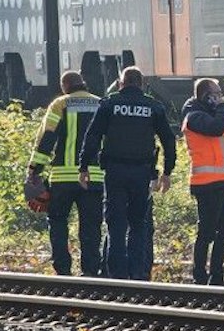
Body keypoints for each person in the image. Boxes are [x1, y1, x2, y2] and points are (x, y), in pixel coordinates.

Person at [81, 65, 176, 280]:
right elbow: (169, 141)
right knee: (138, 224)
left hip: (114, 172)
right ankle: (137, 273)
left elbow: (93, 135)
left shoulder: (109, 104)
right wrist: (167, 171)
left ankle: (117, 274)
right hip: (142, 173)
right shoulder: (153, 107)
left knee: (115, 224)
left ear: (121, 83)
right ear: (142, 84)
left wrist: (84, 166)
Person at [29, 71, 102, 276]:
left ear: (64, 86)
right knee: (91, 226)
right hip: (93, 177)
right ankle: (90, 271)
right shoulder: (100, 104)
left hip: (62, 178)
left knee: (58, 221)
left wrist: (35, 170)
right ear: (83, 84)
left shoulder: (60, 104)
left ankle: (63, 269)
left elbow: (47, 139)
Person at [182, 77, 224, 286]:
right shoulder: (194, 116)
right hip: (206, 183)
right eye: (216, 93)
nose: (220, 97)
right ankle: (199, 274)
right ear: (206, 96)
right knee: (207, 231)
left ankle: (216, 274)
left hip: (221, 181)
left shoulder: (207, 114)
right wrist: (223, 106)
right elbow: (217, 127)